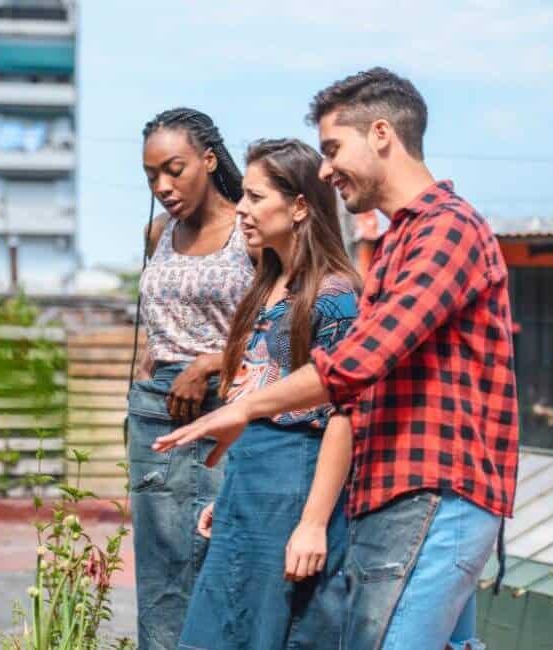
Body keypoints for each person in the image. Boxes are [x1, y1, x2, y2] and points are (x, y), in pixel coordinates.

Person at [155, 68, 520, 650]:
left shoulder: (447, 230)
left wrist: (246, 409)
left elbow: (357, 363)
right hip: (396, 493)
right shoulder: (399, 241)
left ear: (381, 134)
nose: (326, 170)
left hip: (436, 492)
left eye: (332, 149)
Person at [177, 139, 359, 649]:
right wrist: (231, 497)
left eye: (255, 197)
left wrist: (313, 524)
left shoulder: (336, 295)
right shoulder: (267, 286)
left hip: (296, 485)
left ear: (299, 206)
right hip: (250, 485)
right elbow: (255, 393)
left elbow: (345, 415)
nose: (241, 209)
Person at [130, 107, 255, 649]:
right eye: (152, 175)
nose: (163, 185)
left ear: (208, 159)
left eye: (174, 169)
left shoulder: (250, 232)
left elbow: (285, 329)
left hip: (226, 409)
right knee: (160, 572)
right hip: (155, 411)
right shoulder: (157, 232)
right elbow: (155, 322)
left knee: (221, 555)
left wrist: (209, 363)